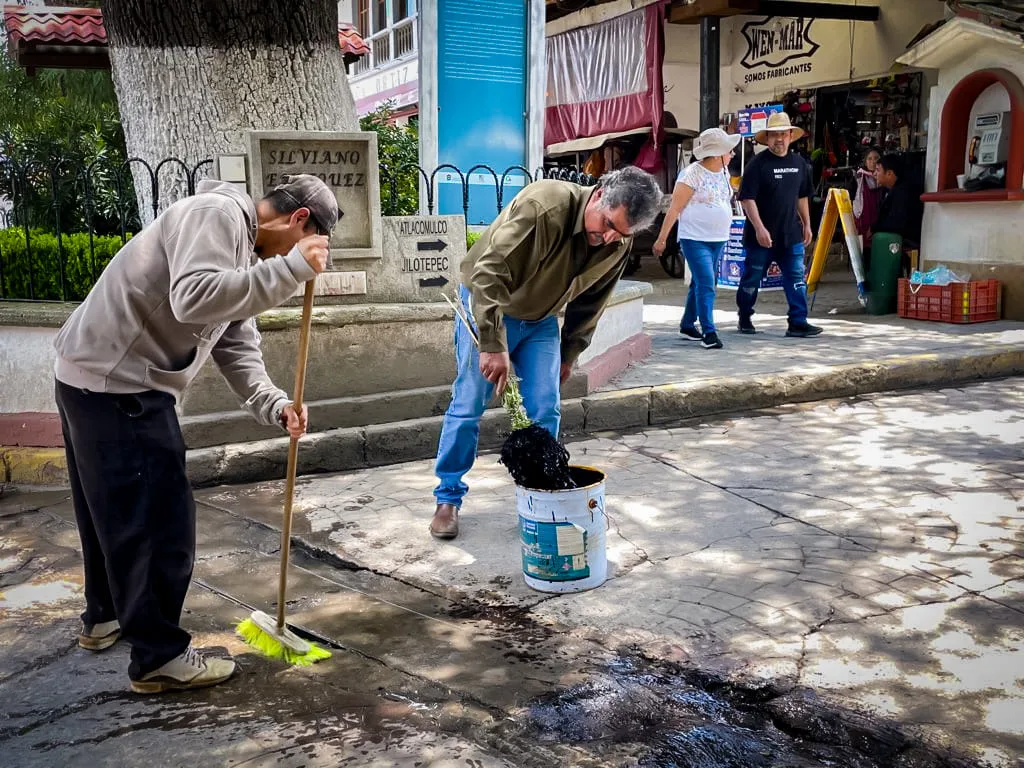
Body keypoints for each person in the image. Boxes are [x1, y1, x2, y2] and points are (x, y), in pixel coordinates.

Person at [53, 174, 340, 694]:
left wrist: (273, 403)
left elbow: (235, 343)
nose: (295, 261)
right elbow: (193, 299)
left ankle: (105, 617)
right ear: (299, 220)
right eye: (305, 242)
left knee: (111, 513)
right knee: (159, 525)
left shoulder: (243, 250)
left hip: (93, 376)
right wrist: (293, 268)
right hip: (121, 386)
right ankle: (159, 656)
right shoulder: (218, 214)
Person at [430, 167, 663, 539]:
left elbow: (592, 301)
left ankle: (537, 499)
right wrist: (492, 342)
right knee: (470, 403)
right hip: (490, 306)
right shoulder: (544, 205)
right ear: (600, 193)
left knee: (545, 406)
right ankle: (448, 497)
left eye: (620, 233)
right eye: (606, 224)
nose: (607, 238)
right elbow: (488, 272)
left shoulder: (617, 240)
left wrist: (570, 354)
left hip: (540, 320)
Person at [653, 127, 741, 350]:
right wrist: (662, 239)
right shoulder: (691, 174)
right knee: (707, 282)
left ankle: (687, 324)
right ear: (717, 152)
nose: (732, 154)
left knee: (700, 282)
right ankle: (709, 331)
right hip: (694, 238)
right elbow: (675, 209)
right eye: (729, 151)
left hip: (717, 238)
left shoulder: (723, 172)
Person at [736, 112, 822, 338]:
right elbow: (747, 198)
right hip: (760, 237)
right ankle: (744, 317)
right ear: (767, 138)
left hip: (791, 234)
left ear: (791, 136)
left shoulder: (799, 163)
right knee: (751, 279)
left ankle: (798, 321)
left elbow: (803, 196)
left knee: (796, 278)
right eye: (774, 135)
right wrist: (759, 228)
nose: (779, 139)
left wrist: (807, 224)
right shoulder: (757, 164)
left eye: (783, 134)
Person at [873, 153, 924, 245]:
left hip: (903, 243)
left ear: (889, 173)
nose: (875, 174)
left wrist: (875, 228)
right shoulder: (887, 190)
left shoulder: (904, 192)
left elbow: (897, 223)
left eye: (878, 170)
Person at [853, 147, 884, 243]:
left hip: (880, 219)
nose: (873, 161)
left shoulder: (885, 177)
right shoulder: (859, 178)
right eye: (869, 159)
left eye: (876, 158)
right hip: (863, 220)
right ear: (865, 162)